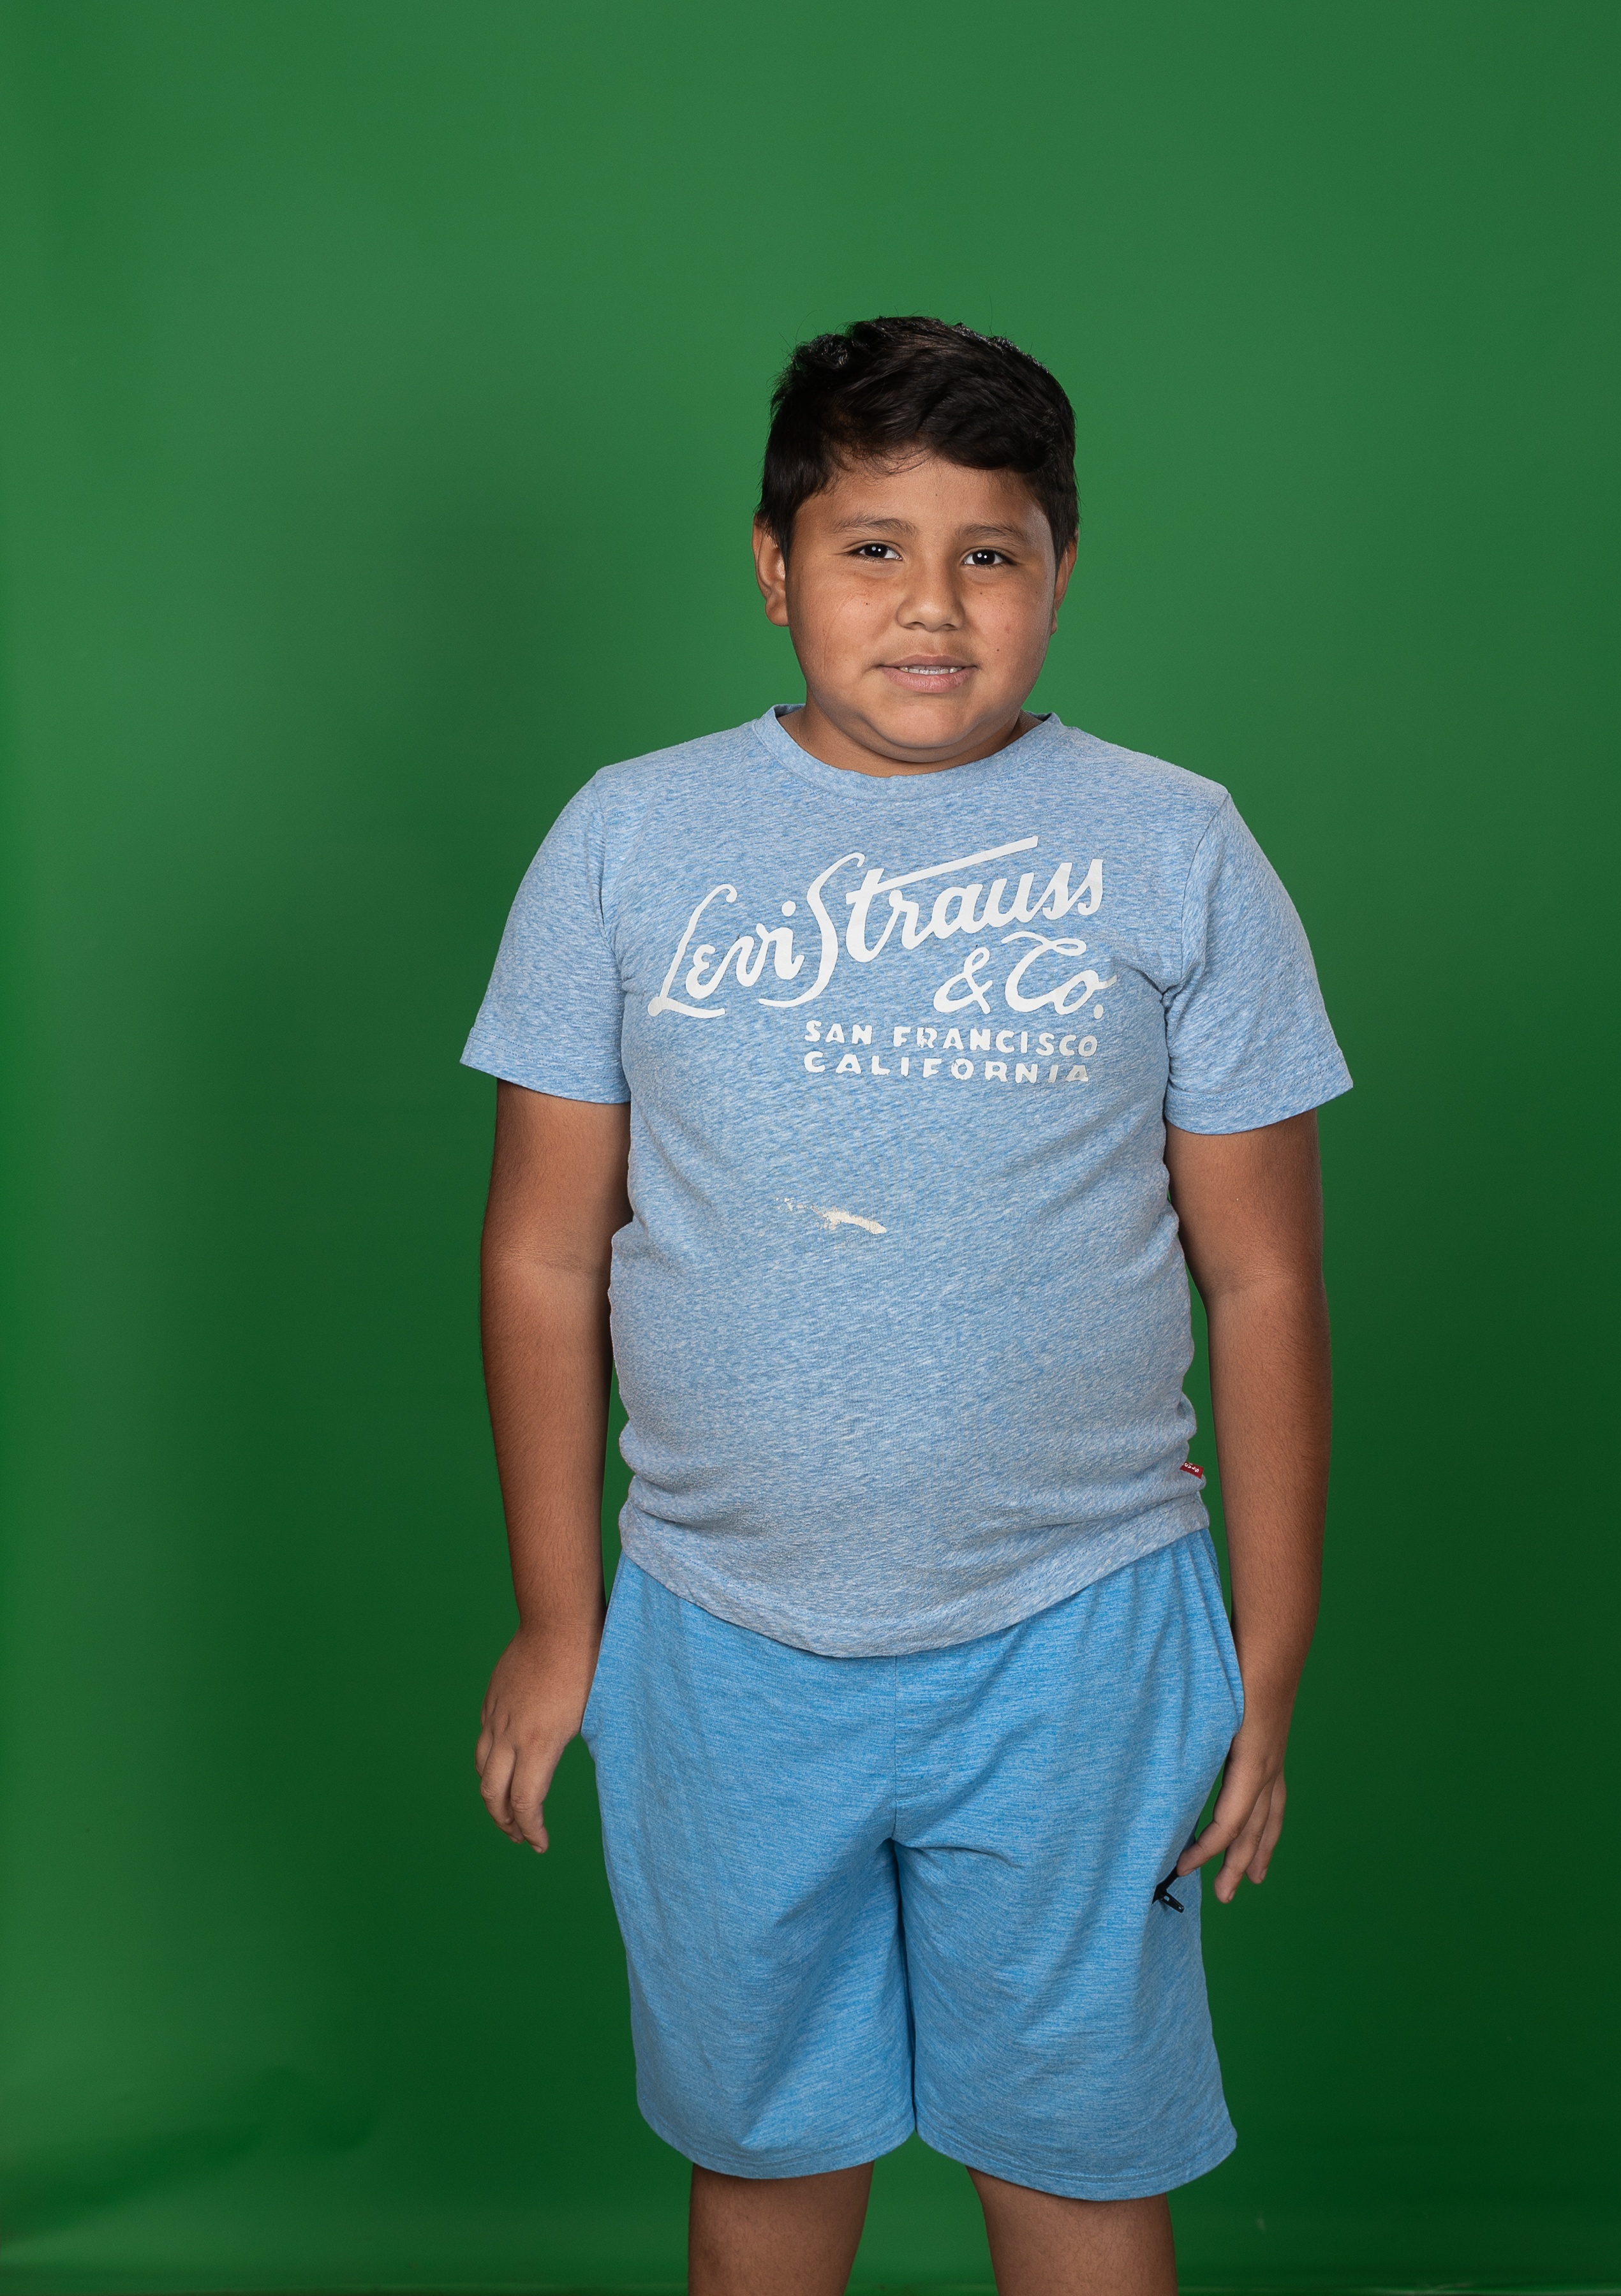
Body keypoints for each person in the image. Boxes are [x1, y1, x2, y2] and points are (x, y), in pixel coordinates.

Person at [464, 315, 1350, 2296]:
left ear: (1061, 570)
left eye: (990, 552)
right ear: (774, 567)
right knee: (767, 2168)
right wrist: (558, 1617)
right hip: (724, 1635)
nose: (933, 605)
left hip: (1084, 1633)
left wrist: (1269, 1655)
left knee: (1082, 2168)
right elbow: (543, 1251)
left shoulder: (1176, 847)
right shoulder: (630, 840)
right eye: (873, 547)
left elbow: (1264, 1272)